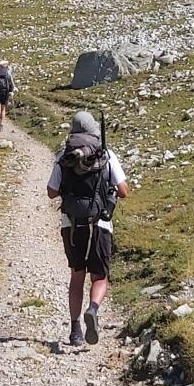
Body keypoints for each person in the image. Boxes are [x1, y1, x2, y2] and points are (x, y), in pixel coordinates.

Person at [46, 110, 128, 349]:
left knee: (76, 276)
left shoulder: (64, 156)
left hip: (71, 224)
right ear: (94, 129)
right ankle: (92, 310)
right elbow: (123, 190)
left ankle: (74, 330)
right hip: (100, 224)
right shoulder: (106, 154)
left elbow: (51, 192)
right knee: (99, 276)